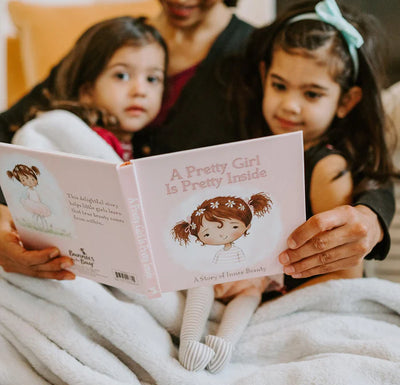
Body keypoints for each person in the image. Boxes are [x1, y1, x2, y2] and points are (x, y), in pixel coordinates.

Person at [0, 1, 395, 288]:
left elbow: (349, 149)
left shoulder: (260, 56)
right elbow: (13, 135)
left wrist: (371, 218)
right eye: (122, 77)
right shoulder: (114, 41)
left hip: (206, 278)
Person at [219, 0, 399, 295]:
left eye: (312, 94)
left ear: (346, 102)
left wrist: (268, 300)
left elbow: (345, 276)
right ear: (264, 76)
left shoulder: (327, 169)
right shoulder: (257, 151)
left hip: (305, 305)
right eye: (279, 86)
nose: (290, 105)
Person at [0, 16, 167, 279]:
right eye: (122, 75)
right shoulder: (79, 136)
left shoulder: (144, 146)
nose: (140, 90)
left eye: (153, 79)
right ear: (87, 90)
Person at [172, 193, 280, 372]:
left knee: (249, 297)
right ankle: (189, 342)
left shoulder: (257, 239)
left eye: (234, 226)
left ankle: (225, 344)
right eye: (208, 233)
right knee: (200, 286)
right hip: (208, 276)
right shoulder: (208, 253)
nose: (222, 235)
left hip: (250, 279)